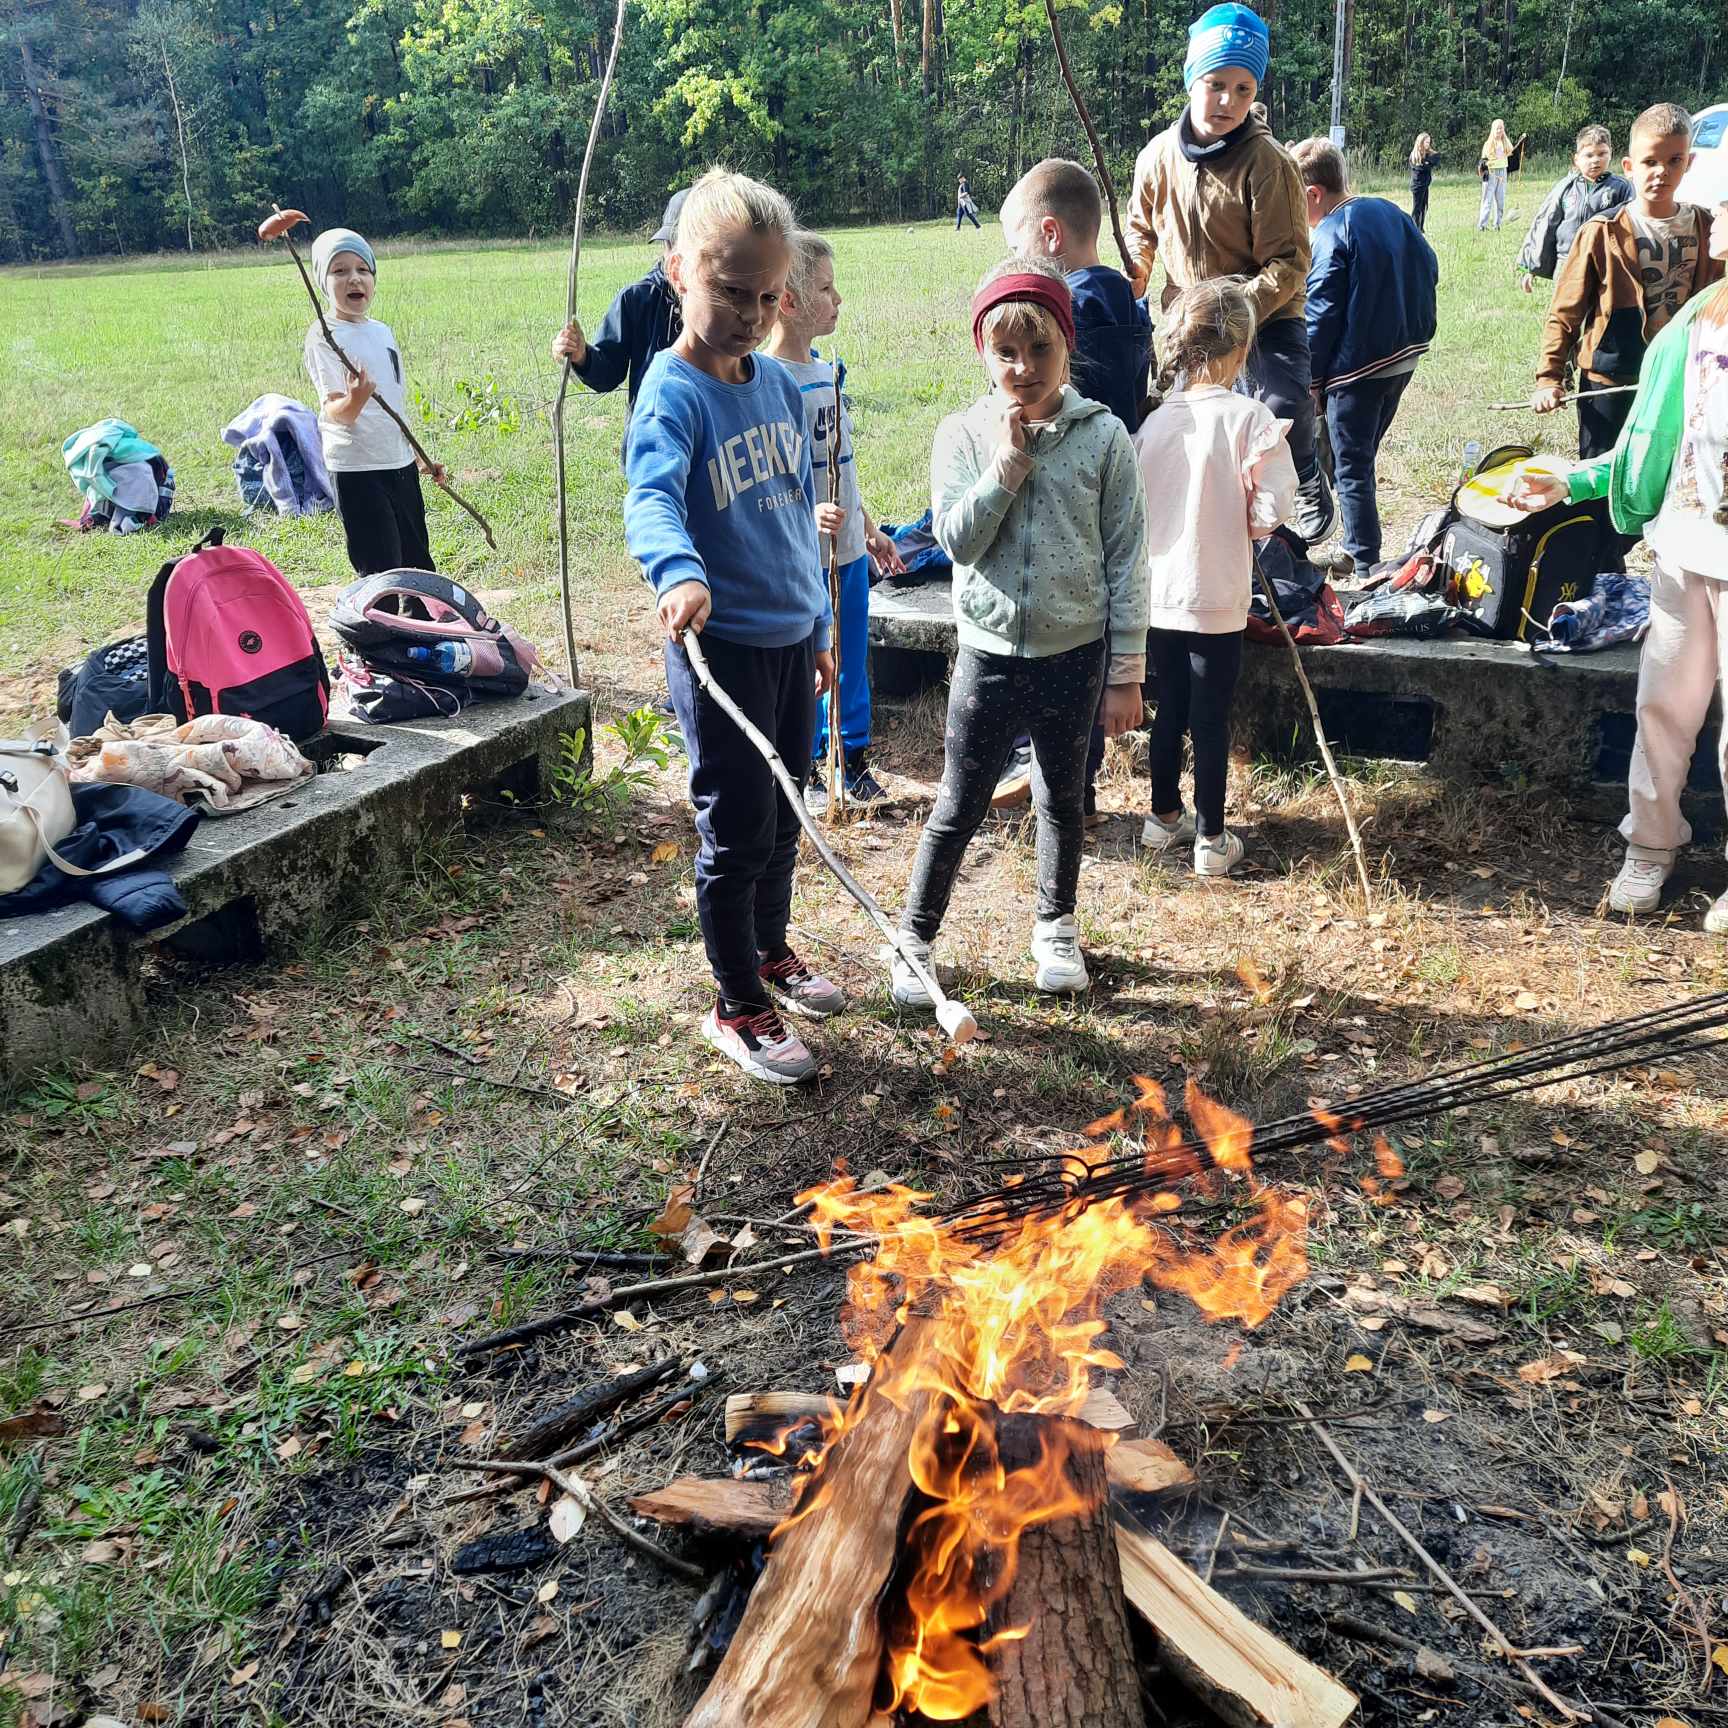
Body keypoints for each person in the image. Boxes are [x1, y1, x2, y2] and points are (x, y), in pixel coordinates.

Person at [623, 168, 845, 1086]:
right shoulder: (671, 395)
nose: (752, 313)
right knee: (737, 827)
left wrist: (822, 622)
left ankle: (771, 946)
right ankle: (737, 1002)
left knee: (788, 807)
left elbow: (796, 516)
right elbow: (651, 498)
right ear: (678, 271)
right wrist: (679, 574)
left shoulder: (780, 389)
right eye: (730, 291)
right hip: (724, 653)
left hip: (793, 639)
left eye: (766, 296)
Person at [888, 257, 1148, 1005]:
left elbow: (1129, 557)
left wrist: (1126, 669)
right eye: (1006, 352)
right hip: (989, 655)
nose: (1023, 368)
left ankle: (1055, 928)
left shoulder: (1104, 440)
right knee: (959, 801)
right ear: (982, 354)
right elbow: (958, 541)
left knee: (1063, 798)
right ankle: (914, 936)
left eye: (1040, 350)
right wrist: (1008, 464)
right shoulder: (962, 436)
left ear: (1068, 347)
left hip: (1074, 656)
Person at [1509, 198, 1728, 925]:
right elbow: (1647, 445)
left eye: (1726, 208)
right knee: (1664, 706)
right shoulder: (1699, 322)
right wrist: (1571, 479)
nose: (1714, 220)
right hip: (1683, 550)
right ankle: (1652, 845)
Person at [1125, 3, 1334, 548]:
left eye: (1244, 89)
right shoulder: (1156, 157)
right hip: (1187, 317)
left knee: (1280, 404)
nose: (1228, 101)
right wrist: (1139, 267)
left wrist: (1241, 308)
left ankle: (1306, 472)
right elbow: (1139, 226)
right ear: (1192, 79)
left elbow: (1290, 261)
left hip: (1265, 312)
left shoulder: (1269, 163)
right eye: (1217, 84)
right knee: (1172, 420)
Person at [995, 156, 1154, 817]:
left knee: (1050, 631)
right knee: (1084, 638)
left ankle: (1040, 760)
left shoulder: (1070, 310)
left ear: (1052, 235)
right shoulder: (1129, 300)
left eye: (1019, 248)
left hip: (1061, 489)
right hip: (1111, 488)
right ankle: (1074, 783)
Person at [1134, 279, 1297, 876]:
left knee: (1169, 704)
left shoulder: (1152, 424)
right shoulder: (1249, 418)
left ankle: (1161, 816)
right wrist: (1249, 524)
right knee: (1211, 712)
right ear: (1240, 350)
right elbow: (1275, 503)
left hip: (1160, 594)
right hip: (1217, 592)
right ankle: (1211, 836)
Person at [763, 229, 906, 812]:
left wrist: (867, 527)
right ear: (790, 302)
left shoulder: (825, 373)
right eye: (826, 289)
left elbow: (839, 464)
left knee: (852, 653)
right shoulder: (769, 382)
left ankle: (855, 758)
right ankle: (812, 761)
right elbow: (773, 477)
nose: (838, 299)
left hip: (846, 550)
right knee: (815, 660)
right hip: (806, 556)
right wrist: (807, 512)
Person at [1532, 103, 1721, 459]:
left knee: (1665, 478)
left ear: (1690, 163)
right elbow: (1564, 311)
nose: (1661, 172)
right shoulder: (1602, 232)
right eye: (1650, 161)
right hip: (1612, 382)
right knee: (1601, 477)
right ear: (1630, 167)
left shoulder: (1710, 229)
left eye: (1674, 160)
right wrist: (1549, 377)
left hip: (1681, 381)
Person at [1293, 137, 1438, 575]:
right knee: (1357, 458)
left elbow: (1321, 314)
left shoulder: (1332, 232)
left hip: (1356, 368)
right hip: (1404, 355)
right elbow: (1430, 264)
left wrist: (1312, 383)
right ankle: (1359, 543)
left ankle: (1364, 562)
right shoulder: (1392, 210)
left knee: (1349, 463)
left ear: (1313, 195)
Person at [303, 227, 443, 576]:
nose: (354, 279)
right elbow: (336, 411)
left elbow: (393, 407)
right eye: (340, 271)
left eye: (363, 270)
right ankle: (381, 630)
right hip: (357, 469)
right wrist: (355, 399)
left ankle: (420, 625)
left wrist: (415, 457)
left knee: (418, 559)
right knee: (381, 565)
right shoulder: (324, 336)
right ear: (323, 281)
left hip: (398, 463)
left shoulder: (382, 333)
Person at [552, 188, 688, 443]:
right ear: (666, 247)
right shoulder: (638, 299)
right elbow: (608, 373)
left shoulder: (722, 300)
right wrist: (582, 355)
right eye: (673, 245)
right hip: (653, 437)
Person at [1517, 124, 1633, 294]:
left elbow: (1633, 222)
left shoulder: (1622, 188)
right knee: (1566, 312)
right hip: (1567, 260)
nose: (1595, 160)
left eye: (1602, 154)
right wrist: (1531, 269)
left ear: (1610, 154)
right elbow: (1546, 225)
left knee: (1601, 313)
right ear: (1577, 159)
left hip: (1605, 261)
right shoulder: (1565, 189)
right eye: (1589, 155)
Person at [1478, 119, 1514, 231]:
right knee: (1487, 200)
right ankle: (1482, 225)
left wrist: (1505, 138)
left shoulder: (1505, 142)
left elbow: (1511, 151)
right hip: (1491, 173)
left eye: (1501, 128)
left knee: (1500, 200)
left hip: (1502, 171)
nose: (1499, 130)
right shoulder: (1488, 144)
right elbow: (1484, 161)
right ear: (1493, 130)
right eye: (1497, 128)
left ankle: (1497, 224)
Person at [1409, 133, 1438, 232]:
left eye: (1429, 142)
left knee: (1424, 206)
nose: (1428, 144)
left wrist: (1427, 162)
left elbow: (1436, 159)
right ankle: (1414, 228)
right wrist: (1426, 163)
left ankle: (1421, 227)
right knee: (1417, 207)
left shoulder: (1428, 154)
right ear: (1421, 142)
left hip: (1425, 184)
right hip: (1417, 186)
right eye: (1426, 142)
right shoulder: (1414, 155)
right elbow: (1419, 168)